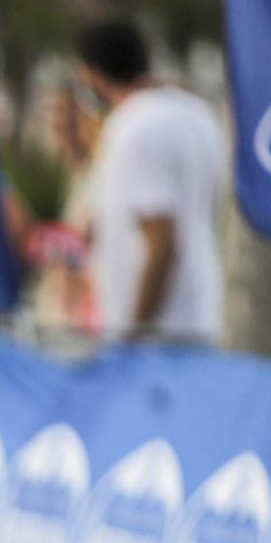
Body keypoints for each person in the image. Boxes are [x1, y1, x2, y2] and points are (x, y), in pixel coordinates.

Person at [74, 19, 227, 344]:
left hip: (156, 335)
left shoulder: (134, 125)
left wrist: (136, 334)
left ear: (91, 73)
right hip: (201, 314)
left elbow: (161, 240)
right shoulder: (197, 113)